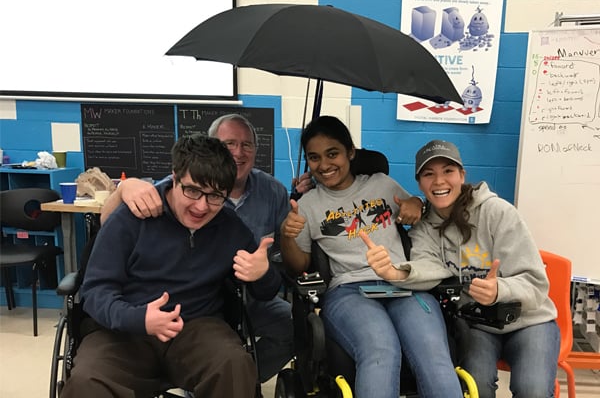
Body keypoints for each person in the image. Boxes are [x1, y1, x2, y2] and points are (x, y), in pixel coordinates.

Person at [61, 135, 281, 398]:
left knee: (234, 365)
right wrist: (138, 318)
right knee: (88, 382)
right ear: (174, 179)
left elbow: (266, 292)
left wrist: (263, 273)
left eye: (215, 196)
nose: (201, 206)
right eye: (193, 190)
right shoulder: (132, 217)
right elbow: (95, 292)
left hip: (197, 328)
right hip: (122, 332)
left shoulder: (230, 227)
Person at [99, 113, 307, 382]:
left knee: (292, 329)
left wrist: (268, 264)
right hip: (179, 303)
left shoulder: (272, 192)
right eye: (229, 143)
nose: (238, 152)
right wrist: (123, 189)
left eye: (247, 145)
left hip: (236, 300)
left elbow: (273, 271)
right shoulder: (172, 188)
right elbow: (108, 227)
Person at [280, 115, 463, 398]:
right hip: (349, 291)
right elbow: (299, 265)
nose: (324, 165)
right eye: (314, 158)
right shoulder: (307, 206)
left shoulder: (382, 184)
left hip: (403, 283)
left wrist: (416, 204)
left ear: (350, 152)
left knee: (434, 354)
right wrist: (287, 235)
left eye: (333, 154)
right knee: (381, 348)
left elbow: (416, 211)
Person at [362, 139, 560, 398]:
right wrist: (394, 272)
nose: (439, 181)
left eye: (448, 171)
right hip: (478, 325)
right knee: (475, 386)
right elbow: (429, 267)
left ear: (462, 175)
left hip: (530, 321)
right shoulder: (425, 227)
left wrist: (499, 289)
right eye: (428, 174)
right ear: (419, 183)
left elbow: (536, 283)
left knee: (531, 389)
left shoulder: (497, 212)